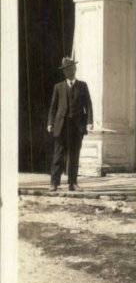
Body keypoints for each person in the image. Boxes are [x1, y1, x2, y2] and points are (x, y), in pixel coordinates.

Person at [47, 57, 93, 192]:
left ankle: (73, 183)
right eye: (66, 70)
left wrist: (89, 122)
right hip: (62, 125)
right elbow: (53, 107)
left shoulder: (82, 86)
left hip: (77, 126)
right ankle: (54, 183)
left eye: (71, 68)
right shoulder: (58, 87)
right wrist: (50, 122)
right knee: (58, 155)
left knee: (74, 155)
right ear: (64, 72)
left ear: (75, 69)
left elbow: (88, 105)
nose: (69, 71)